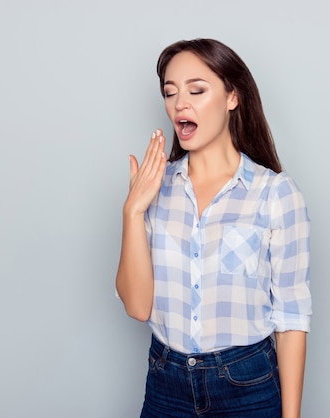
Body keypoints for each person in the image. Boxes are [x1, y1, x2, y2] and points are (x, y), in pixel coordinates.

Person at [116, 38, 311, 418]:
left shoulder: (275, 193)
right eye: (170, 93)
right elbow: (138, 307)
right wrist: (132, 211)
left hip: (247, 386)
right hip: (165, 383)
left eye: (197, 90)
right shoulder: (155, 188)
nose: (179, 104)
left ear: (232, 97)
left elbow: (291, 318)